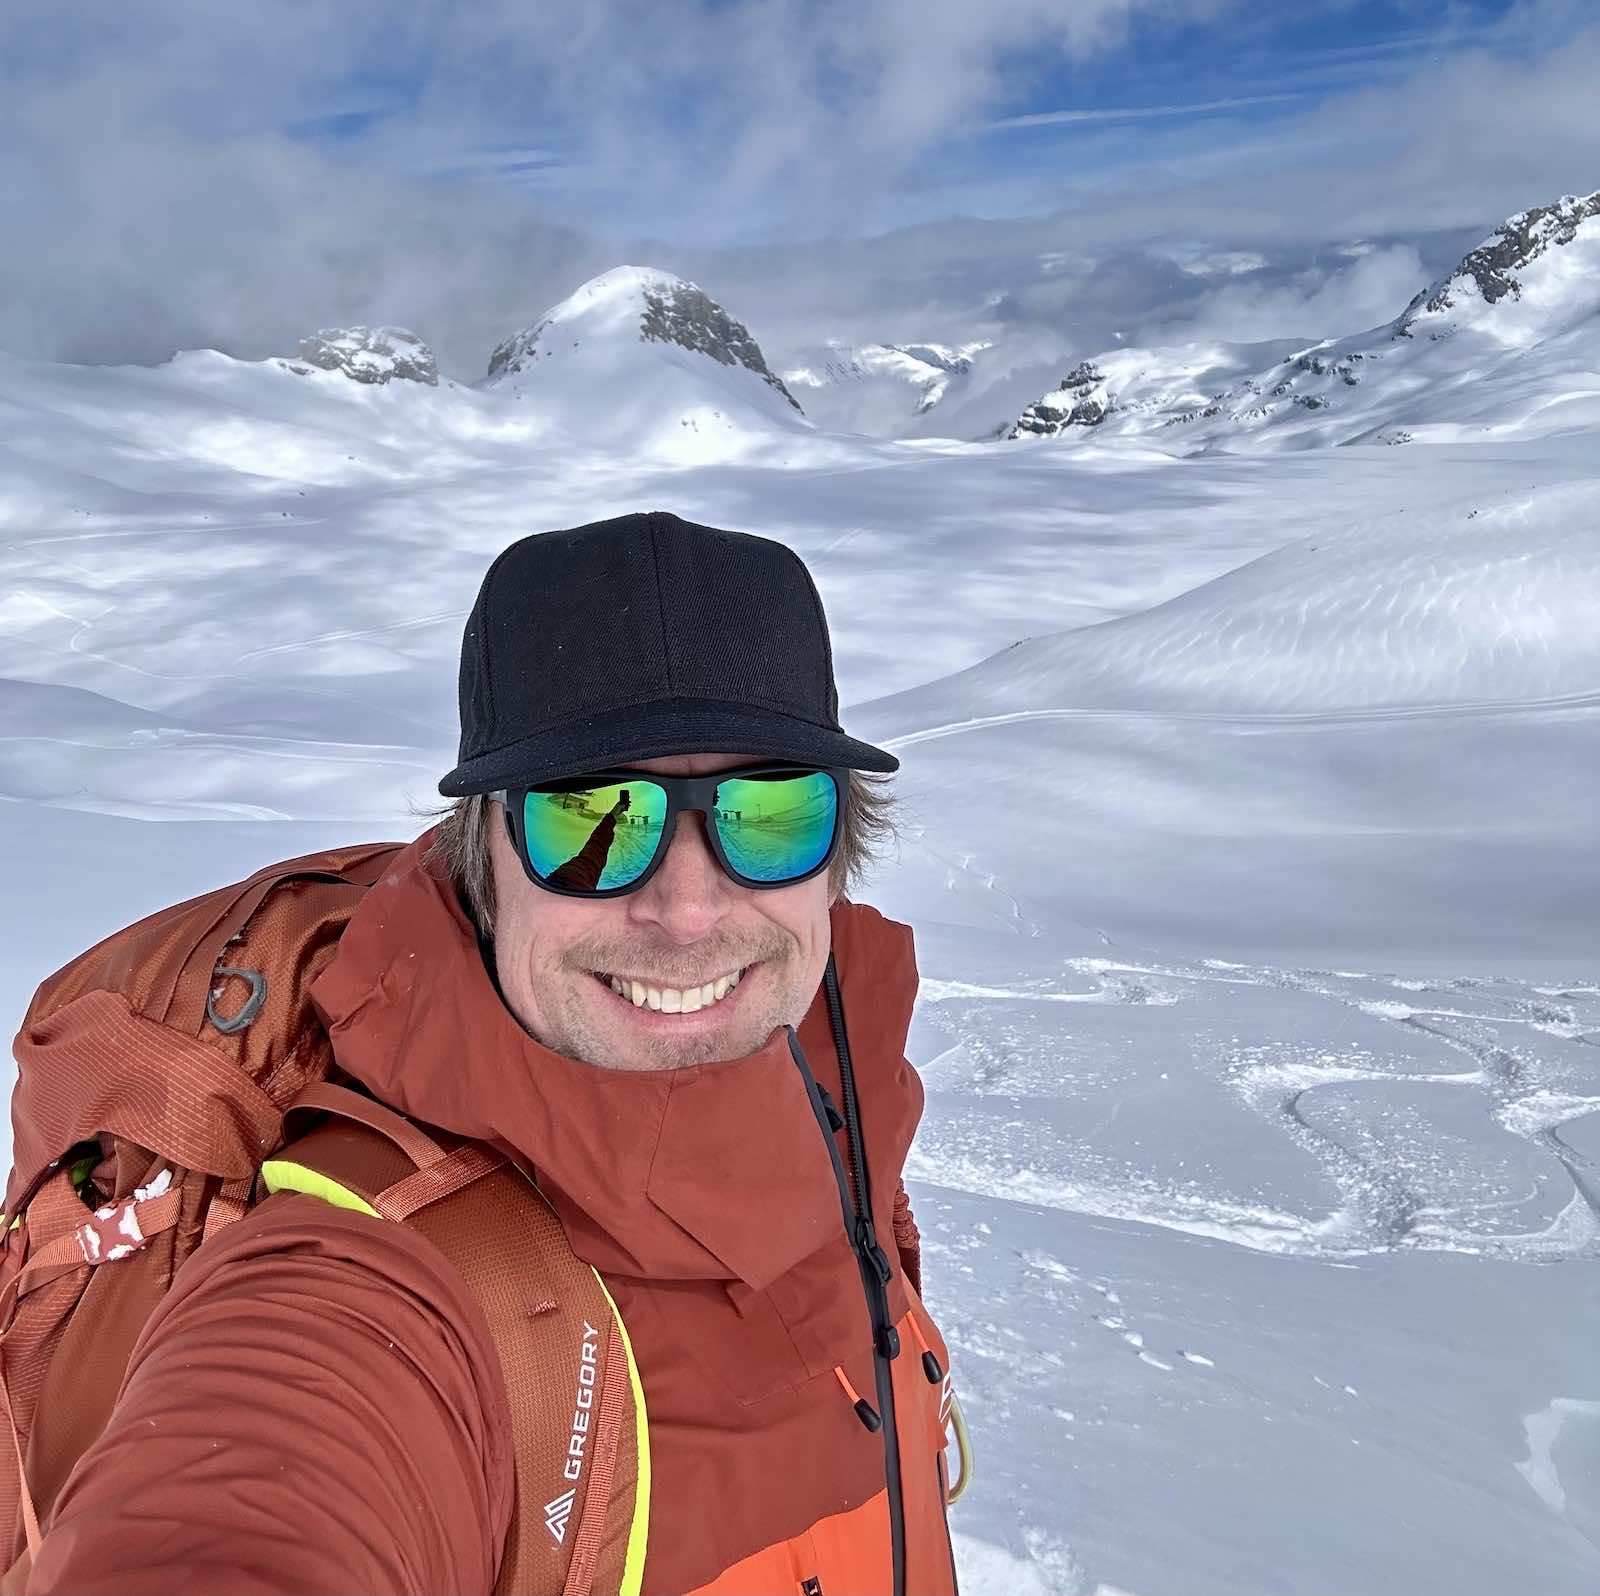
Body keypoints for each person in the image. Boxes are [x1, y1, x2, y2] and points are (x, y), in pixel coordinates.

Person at [15, 510, 964, 1595]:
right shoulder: (377, 1278)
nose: (690, 910)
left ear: (838, 849)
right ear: (480, 862)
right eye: (590, 819)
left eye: (769, 813)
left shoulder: (841, 1083)